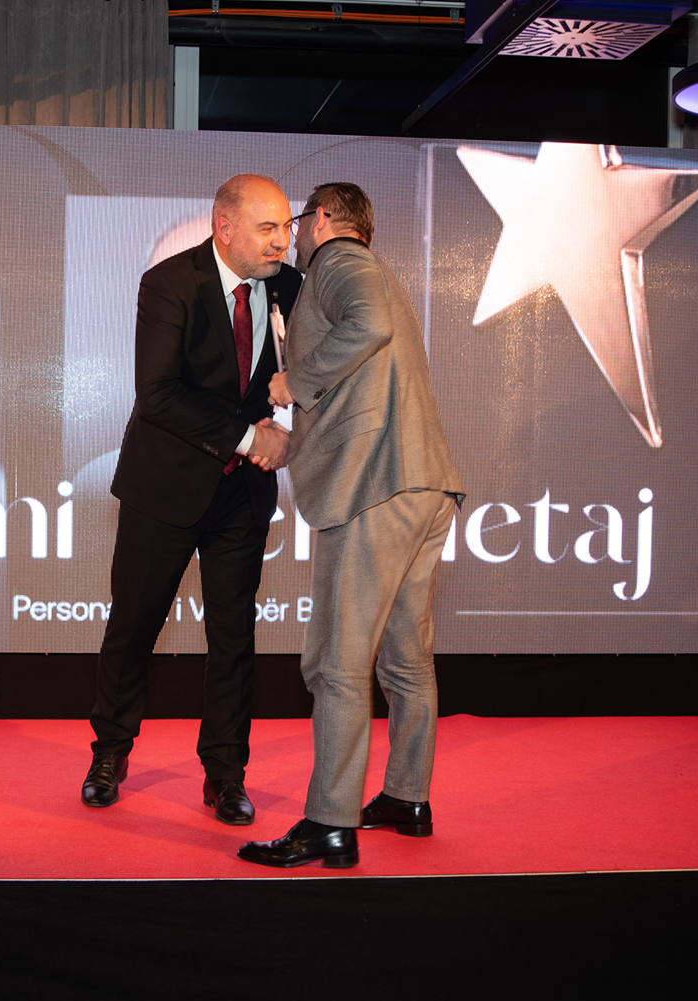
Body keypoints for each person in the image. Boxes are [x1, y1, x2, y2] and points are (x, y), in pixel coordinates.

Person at [240, 182, 462, 868]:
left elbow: (367, 326)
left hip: (373, 486)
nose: (292, 237)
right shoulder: (373, 270)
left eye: (298, 221)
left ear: (325, 218)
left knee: (336, 662)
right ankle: (407, 798)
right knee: (405, 658)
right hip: (420, 483)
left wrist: (295, 381)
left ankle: (329, 822)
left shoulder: (340, 261)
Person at [82, 174, 301, 825]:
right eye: (268, 228)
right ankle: (109, 753)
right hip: (165, 486)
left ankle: (226, 775)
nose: (281, 242)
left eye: (287, 227)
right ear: (224, 227)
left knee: (233, 638)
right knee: (134, 627)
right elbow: (158, 395)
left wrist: (288, 425)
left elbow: (304, 376)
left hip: (243, 494)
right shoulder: (170, 283)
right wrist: (249, 435)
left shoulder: (290, 287)